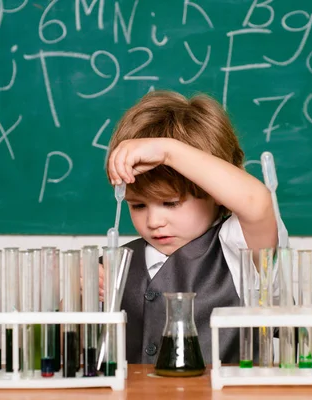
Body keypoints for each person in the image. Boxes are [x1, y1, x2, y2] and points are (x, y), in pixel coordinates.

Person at [105, 90, 289, 364]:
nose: (154, 222)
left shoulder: (237, 250)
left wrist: (167, 152)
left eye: (170, 203)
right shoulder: (116, 264)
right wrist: (76, 289)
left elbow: (257, 203)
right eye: (138, 206)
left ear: (213, 192)